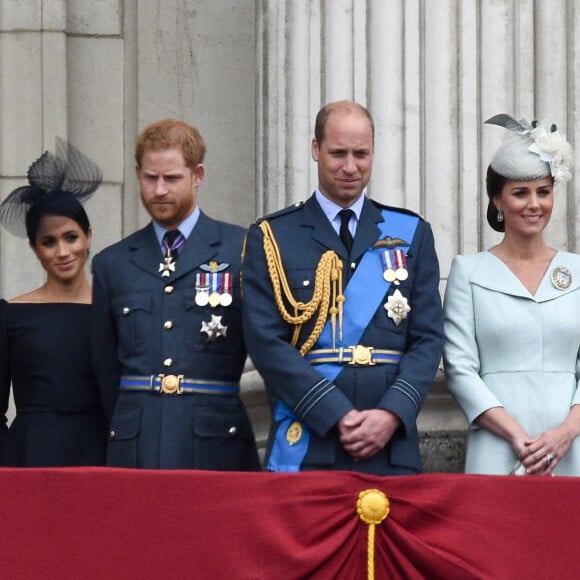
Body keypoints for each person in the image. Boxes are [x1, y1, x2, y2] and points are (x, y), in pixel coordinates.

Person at [242, 100, 444, 474]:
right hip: (308, 439)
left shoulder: (410, 233)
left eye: (361, 154)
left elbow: (428, 339)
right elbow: (265, 342)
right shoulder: (273, 236)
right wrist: (334, 413)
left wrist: (390, 413)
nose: (350, 167)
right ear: (316, 149)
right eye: (338, 153)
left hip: (390, 444)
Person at [91, 119, 259, 470]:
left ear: (197, 175)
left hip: (216, 443)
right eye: (151, 178)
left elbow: (266, 346)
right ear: (138, 173)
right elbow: (105, 370)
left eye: (172, 178)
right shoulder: (113, 263)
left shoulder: (241, 250)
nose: (160, 190)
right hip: (137, 444)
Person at [443, 114, 580, 476]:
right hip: (498, 445)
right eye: (520, 193)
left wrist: (564, 434)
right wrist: (519, 438)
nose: (534, 204)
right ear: (498, 201)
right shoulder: (468, 272)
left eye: (543, 191)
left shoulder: (579, 272)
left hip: (571, 449)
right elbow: (460, 370)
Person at [0, 138, 107, 466]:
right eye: (49, 242)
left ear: (88, 235)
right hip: (30, 460)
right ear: (34, 247)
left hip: (101, 458)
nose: (63, 252)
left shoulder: (113, 311)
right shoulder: (10, 314)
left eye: (71, 237)